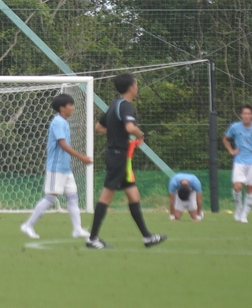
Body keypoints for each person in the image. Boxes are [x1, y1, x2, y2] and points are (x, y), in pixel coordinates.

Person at [86, 73, 166, 250]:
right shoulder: (127, 106)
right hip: (118, 157)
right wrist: (140, 134)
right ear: (131, 87)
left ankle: (147, 237)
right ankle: (92, 239)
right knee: (106, 197)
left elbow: (99, 127)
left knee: (133, 195)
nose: (137, 87)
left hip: (118, 156)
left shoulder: (115, 104)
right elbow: (130, 127)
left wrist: (118, 134)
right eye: (136, 84)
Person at [21, 94, 93, 239]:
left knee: (72, 197)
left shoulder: (64, 122)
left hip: (66, 169)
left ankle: (77, 229)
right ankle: (28, 225)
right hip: (56, 168)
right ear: (62, 108)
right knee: (50, 198)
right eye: (70, 105)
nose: (73, 108)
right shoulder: (58, 122)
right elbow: (63, 144)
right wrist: (82, 157)